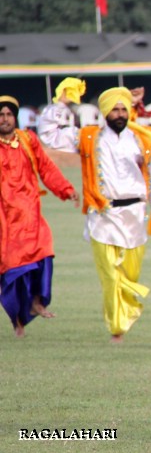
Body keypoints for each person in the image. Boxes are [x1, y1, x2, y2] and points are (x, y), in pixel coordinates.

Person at [78, 87, 151, 343]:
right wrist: (62, 103)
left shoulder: (140, 139)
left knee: (130, 274)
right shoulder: (89, 138)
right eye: (115, 109)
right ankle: (116, 328)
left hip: (134, 215)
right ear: (105, 112)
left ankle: (126, 312)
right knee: (109, 274)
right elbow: (52, 136)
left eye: (123, 109)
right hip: (103, 214)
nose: (120, 114)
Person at [0, 96, 79, 337]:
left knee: (44, 251)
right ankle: (17, 321)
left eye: (9, 115)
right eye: (1, 115)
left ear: (16, 118)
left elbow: (46, 167)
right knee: (13, 269)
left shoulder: (27, 140)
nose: (5, 119)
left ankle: (37, 302)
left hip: (31, 213)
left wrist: (66, 189)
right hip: (5, 219)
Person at [37, 77, 85, 152]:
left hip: (70, 151)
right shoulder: (52, 110)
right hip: (57, 151)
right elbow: (47, 135)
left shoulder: (69, 110)